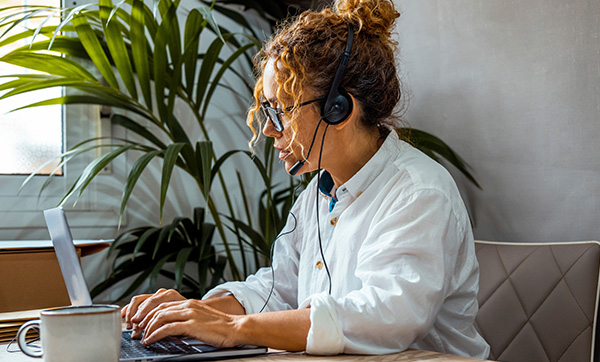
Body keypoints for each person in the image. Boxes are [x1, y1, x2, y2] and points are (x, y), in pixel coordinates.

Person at [121, 0, 490, 358]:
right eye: (267, 110)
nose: (267, 129)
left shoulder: (418, 192)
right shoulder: (318, 193)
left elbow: (383, 316)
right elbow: (280, 289)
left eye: (280, 110)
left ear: (338, 108)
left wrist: (232, 329)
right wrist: (198, 312)